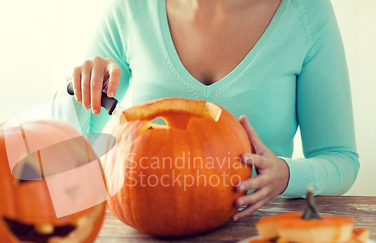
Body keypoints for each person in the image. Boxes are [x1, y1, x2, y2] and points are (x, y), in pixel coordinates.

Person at [66, 0, 359, 220]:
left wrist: (285, 175)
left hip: (257, 240)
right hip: (146, 237)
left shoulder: (306, 12)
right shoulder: (133, 9)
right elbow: (64, 150)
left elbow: (341, 160)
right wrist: (78, 88)